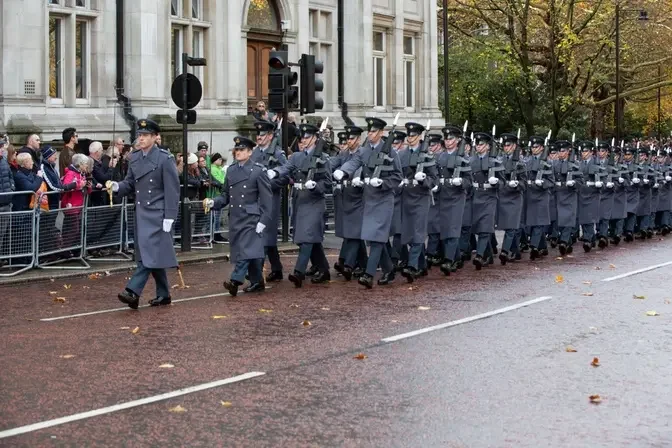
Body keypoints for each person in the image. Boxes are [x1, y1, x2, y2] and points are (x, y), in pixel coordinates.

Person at [108, 118, 180, 309]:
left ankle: (132, 291)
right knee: (149, 255)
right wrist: (116, 186)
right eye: (139, 135)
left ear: (155, 137)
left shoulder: (165, 159)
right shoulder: (135, 157)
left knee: (149, 256)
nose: (141, 139)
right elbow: (130, 183)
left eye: (145, 135)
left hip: (158, 214)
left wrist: (170, 217)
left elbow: (172, 190)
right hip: (141, 213)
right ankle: (163, 294)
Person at [334, 117, 404, 288]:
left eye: (374, 131)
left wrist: (383, 183)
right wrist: (343, 172)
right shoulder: (364, 151)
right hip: (368, 199)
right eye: (369, 131)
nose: (370, 134)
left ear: (381, 133)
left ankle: (368, 274)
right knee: (373, 238)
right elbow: (354, 162)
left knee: (377, 238)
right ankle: (389, 270)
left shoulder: (390, 152)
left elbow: (398, 177)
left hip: (384, 200)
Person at [205, 136, 273, 296]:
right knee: (249, 252)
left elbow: (266, 199)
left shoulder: (258, 171)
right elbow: (225, 196)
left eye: (242, 150)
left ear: (250, 152)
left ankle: (235, 281)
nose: (238, 152)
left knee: (245, 251)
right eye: (236, 150)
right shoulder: (231, 170)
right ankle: (257, 281)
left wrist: (263, 220)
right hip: (236, 217)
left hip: (251, 218)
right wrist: (213, 202)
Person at [268, 123, 332, 288]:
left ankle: (299, 272)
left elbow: (327, 183)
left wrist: (315, 186)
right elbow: (286, 168)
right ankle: (324, 269)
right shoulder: (296, 157)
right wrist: (275, 172)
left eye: (307, 137)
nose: (303, 140)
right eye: (302, 137)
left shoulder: (323, 158)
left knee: (307, 237)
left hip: (314, 201)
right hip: (299, 200)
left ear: (315, 138)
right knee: (310, 238)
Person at [397, 122, 438, 282]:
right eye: (408, 135)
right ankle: (422, 265)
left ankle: (412, 266)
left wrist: (424, 180)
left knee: (418, 231)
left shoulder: (427, 155)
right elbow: (397, 174)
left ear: (419, 136)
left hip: (421, 197)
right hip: (406, 196)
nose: (410, 138)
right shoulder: (401, 155)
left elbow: (434, 180)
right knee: (408, 232)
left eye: (413, 135)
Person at [250, 120, 288, 280]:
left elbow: (286, 176)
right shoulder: (254, 153)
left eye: (263, 135)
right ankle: (277, 268)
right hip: (256, 200)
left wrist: (267, 184)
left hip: (271, 199)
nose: (259, 137)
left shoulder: (278, 154)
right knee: (266, 236)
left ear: (271, 136)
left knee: (265, 235)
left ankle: (255, 274)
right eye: (258, 134)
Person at [330, 124, 368, 280]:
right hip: (346, 197)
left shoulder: (364, 153)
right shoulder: (344, 154)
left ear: (359, 139)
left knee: (354, 232)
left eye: (352, 138)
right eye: (347, 138)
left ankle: (349, 264)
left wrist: (363, 179)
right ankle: (363, 263)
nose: (349, 141)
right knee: (352, 232)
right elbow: (332, 164)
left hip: (360, 197)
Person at [469, 132, 504, 269]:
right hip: (476, 196)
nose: (478, 147)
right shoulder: (471, 161)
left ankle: (479, 255)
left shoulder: (495, 162)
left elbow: (502, 182)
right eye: (477, 144)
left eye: (481, 144)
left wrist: (496, 182)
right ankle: (488, 255)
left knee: (485, 227)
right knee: (479, 227)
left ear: (488, 146)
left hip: (489, 196)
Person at [496, 132, 526, 265]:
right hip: (503, 195)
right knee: (509, 225)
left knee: (511, 227)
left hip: (514, 197)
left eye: (508, 145)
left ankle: (505, 251)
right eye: (504, 145)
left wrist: (517, 184)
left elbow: (524, 183)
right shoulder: (499, 160)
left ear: (514, 146)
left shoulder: (520, 162)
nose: (506, 148)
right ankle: (516, 251)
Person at [525, 135, 555, 260]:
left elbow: (551, 181)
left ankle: (534, 247)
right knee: (534, 222)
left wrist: (543, 184)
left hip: (542, 195)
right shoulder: (527, 161)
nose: (534, 149)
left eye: (536, 147)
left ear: (542, 148)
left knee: (538, 222)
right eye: (532, 147)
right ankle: (543, 247)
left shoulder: (548, 163)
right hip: (530, 194)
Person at [552, 141, 583, 255]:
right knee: (560, 220)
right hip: (559, 195)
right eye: (559, 151)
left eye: (563, 151)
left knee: (568, 219)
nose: (560, 153)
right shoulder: (554, 164)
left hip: (570, 195)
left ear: (568, 152)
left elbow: (581, 181)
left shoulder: (574, 164)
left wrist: (573, 183)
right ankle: (568, 243)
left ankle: (564, 242)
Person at [577, 142, 603, 252]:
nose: (584, 154)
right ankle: (591, 238)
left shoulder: (596, 163)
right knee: (583, 217)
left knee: (590, 217)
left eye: (586, 151)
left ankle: (587, 239)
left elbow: (603, 176)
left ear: (591, 152)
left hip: (592, 193)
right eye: (583, 151)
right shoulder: (579, 164)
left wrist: (599, 183)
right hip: (582, 192)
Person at [40, 145, 81, 210]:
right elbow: (52, 186)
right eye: (54, 155)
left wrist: (62, 181)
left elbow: (57, 182)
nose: (56, 157)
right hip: (49, 202)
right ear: (48, 156)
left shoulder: (52, 167)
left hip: (55, 200)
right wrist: (71, 185)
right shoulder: (43, 167)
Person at [209, 153, 227, 243]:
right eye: (219, 159)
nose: (221, 161)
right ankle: (214, 234)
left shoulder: (220, 168)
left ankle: (217, 233)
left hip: (221, 194)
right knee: (215, 216)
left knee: (218, 216)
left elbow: (224, 178)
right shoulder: (212, 169)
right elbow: (219, 179)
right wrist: (224, 184)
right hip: (215, 194)